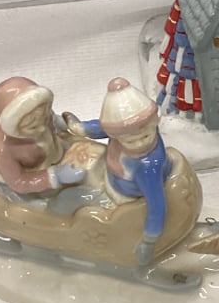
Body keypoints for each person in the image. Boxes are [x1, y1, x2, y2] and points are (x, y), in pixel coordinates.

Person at [68, 78, 171, 266]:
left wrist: (148, 241)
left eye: (146, 135)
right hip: (112, 174)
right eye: (131, 141)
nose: (140, 143)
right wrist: (79, 128)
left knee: (75, 198)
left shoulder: (147, 167)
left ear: (155, 122)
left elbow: (157, 205)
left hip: (126, 196)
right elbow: (102, 129)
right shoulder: (127, 132)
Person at [0, 77, 86, 194]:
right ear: (14, 127)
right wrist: (55, 177)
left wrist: (61, 122)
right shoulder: (5, 150)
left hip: (54, 153)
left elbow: (51, 118)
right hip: (33, 173)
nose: (42, 128)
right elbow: (18, 182)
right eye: (33, 127)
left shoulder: (40, 115)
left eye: (44, 117)